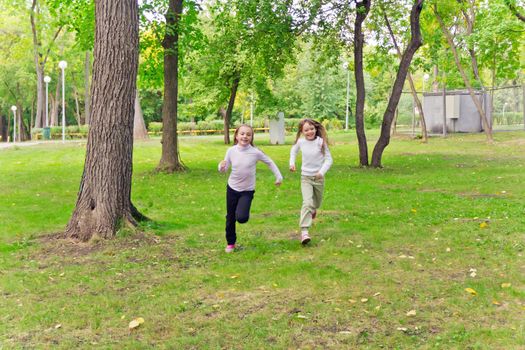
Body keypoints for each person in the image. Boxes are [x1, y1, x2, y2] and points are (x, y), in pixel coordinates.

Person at [219, 124, 283, 253]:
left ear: (252, 137)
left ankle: (240, 213)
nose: (245, 136)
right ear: (236, 136)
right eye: (242, 134)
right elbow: (224, 169)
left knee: (241, 218)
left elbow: (269, 162)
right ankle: (230, 243)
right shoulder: (231, 151)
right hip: (232, 188)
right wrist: (221, 166)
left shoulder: (255, 152)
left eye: (248, 134)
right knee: (230, 216)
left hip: (247, 191)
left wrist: (279, 177)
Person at [289, 118, 333, 245]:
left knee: (316, 203)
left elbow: (329, 160)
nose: (309, 132)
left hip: (318, 178)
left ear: (315, 129)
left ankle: (313, 210)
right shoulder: (301, 142)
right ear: (302, 132)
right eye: (306, 130)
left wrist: (321, 172)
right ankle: (304, 232)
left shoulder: (321, 142)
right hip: (306, 178)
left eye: (311, 129)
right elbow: (293, 152)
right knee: (307, 202)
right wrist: (292, 163)